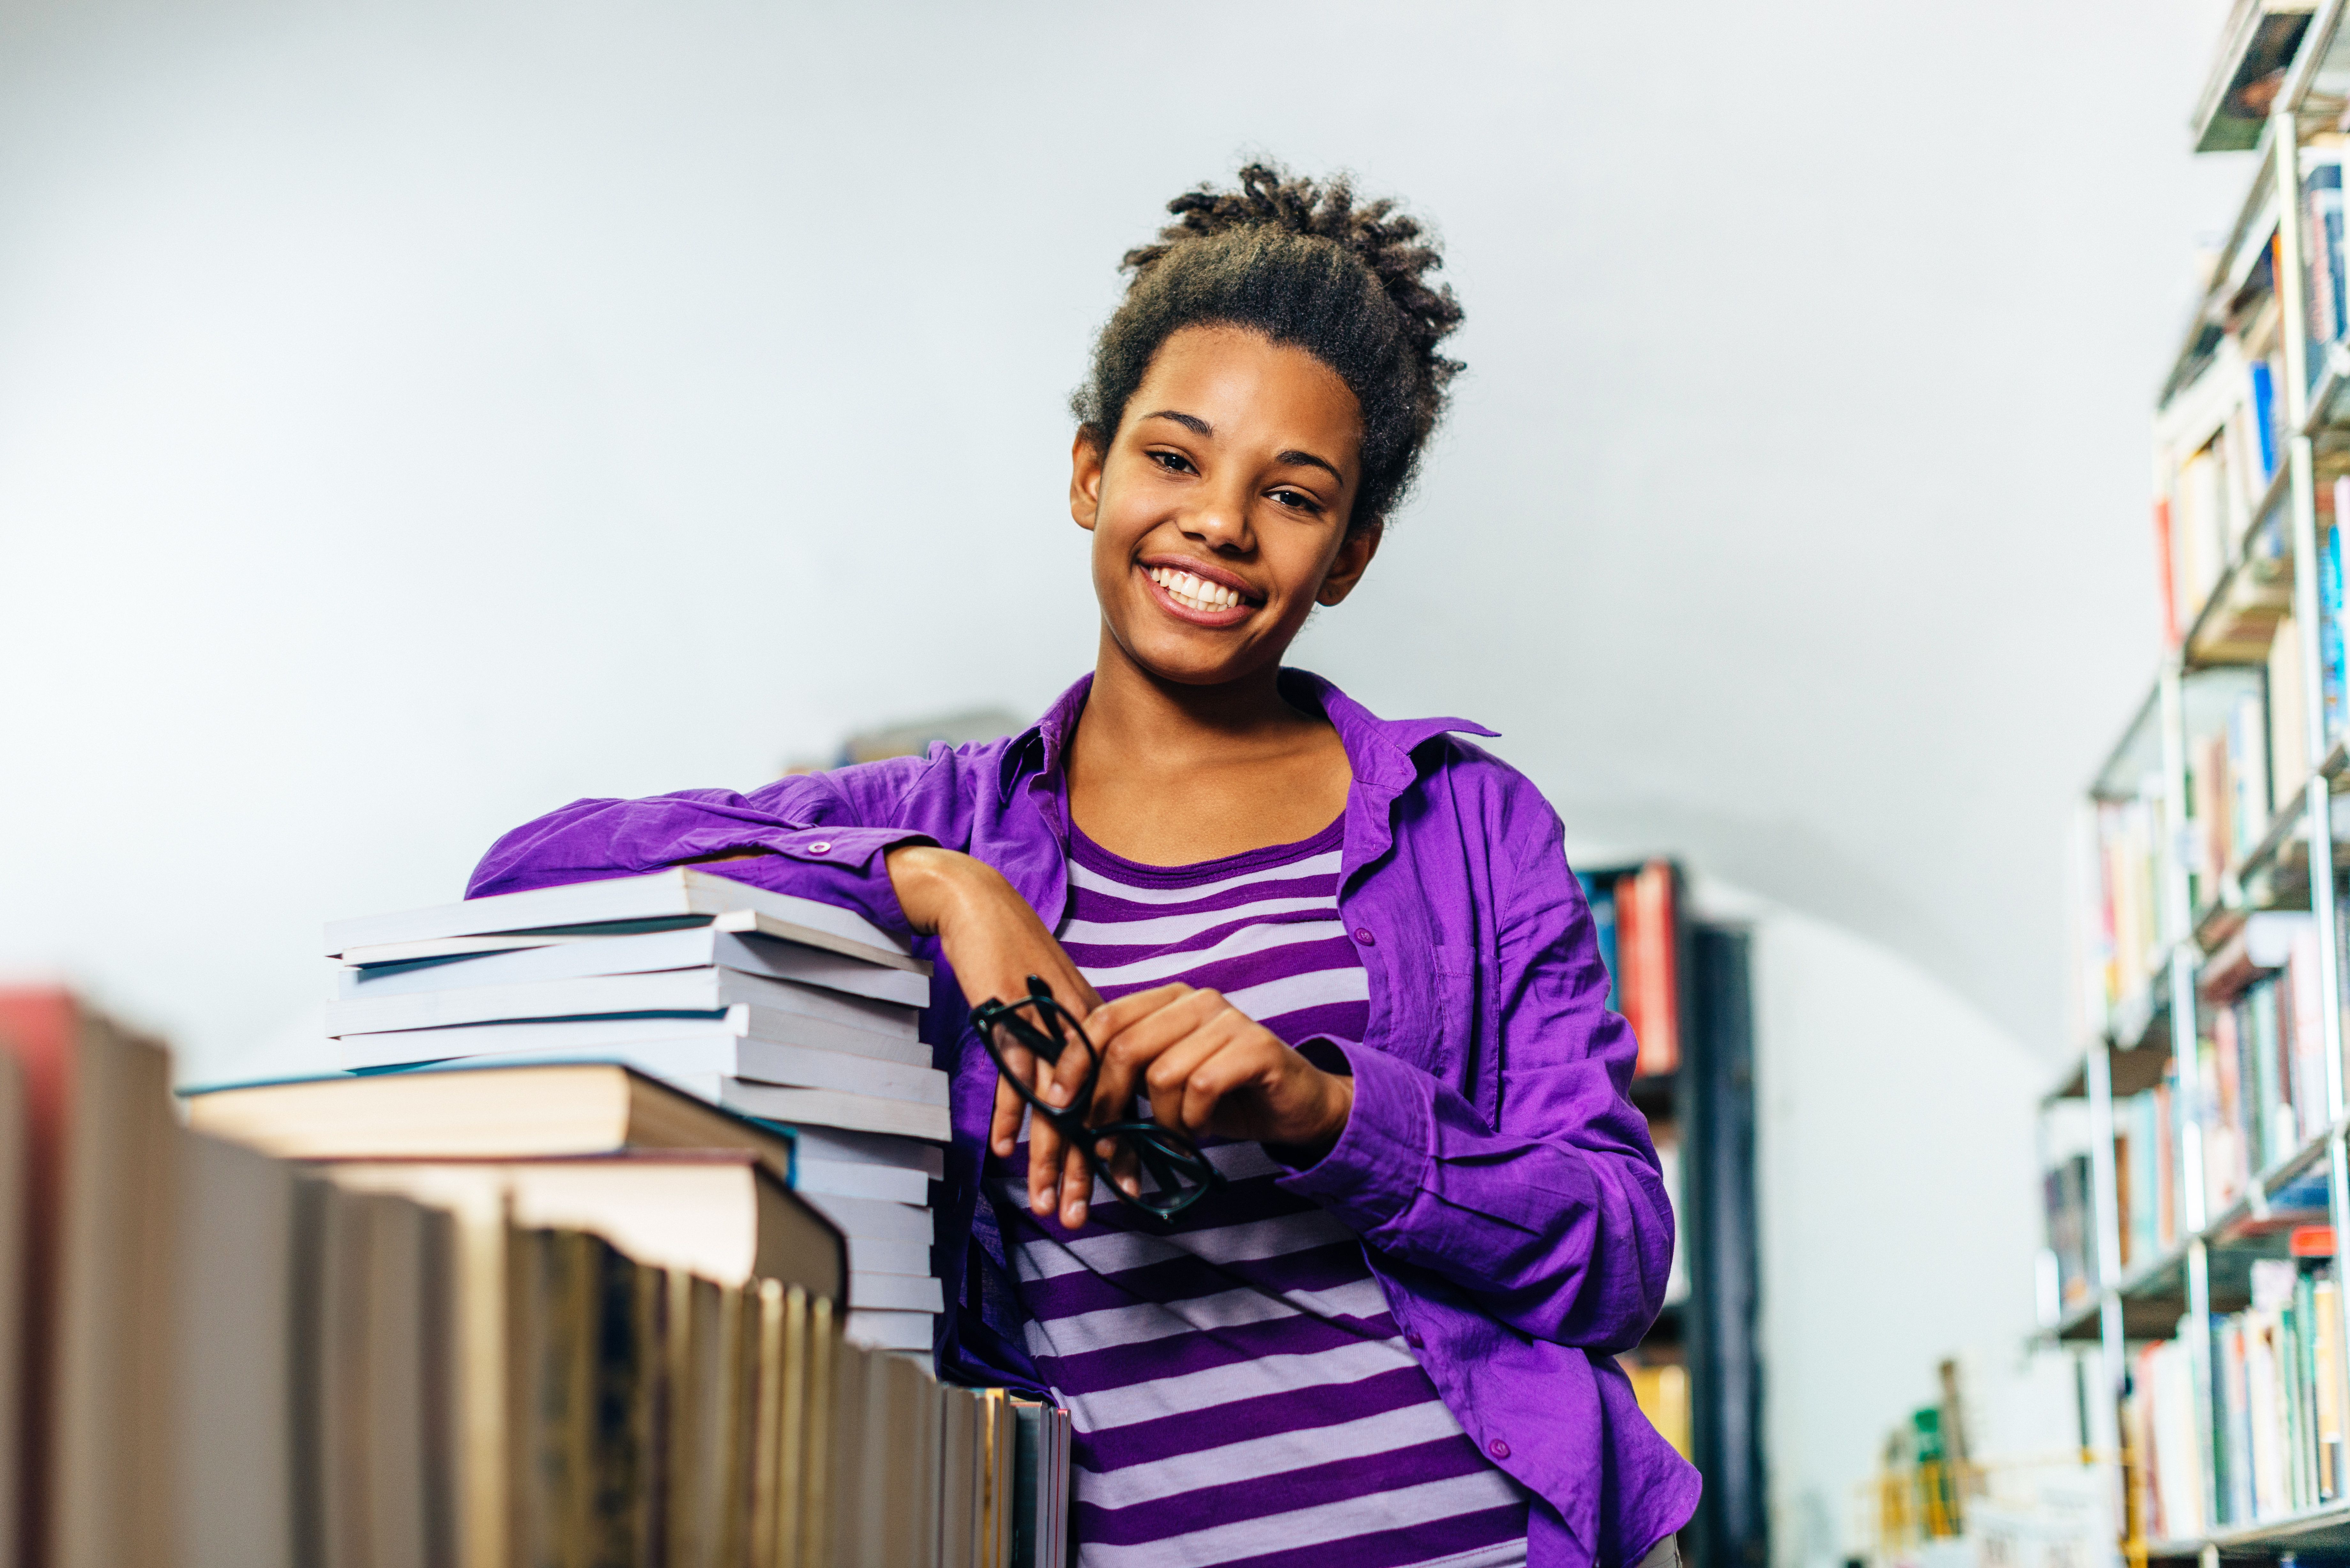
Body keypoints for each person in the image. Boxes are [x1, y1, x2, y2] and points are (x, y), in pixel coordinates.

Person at [471, 161, 1699, 1568]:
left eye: (1291, 496)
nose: (1219, 523)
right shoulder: (941, 817)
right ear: (1087, 471)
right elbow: (529, 873)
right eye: (1173, 458)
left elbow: (1613, 1253)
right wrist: (941, 886)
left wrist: (1322, 1107)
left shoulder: (1469, 825)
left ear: (1347, 555)